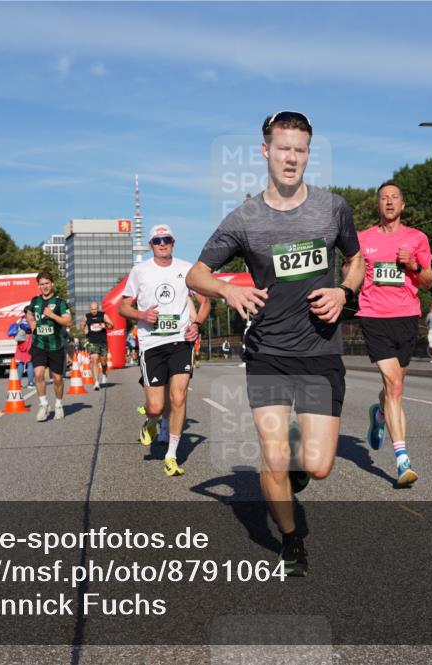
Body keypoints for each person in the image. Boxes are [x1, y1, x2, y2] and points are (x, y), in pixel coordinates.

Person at [187, 111, 363, 576]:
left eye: (300, 150)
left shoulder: (333, 208)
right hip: (267, 352)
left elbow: (357, 260)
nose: (291, 158)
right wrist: (227, 288)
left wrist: (344, 291)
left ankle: (298, 463)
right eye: (283, 148)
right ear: (265, 151)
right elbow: (196, 273)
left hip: (321, 351)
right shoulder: (244, 217)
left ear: (309, 153)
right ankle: (290, 541)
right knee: (273, 454)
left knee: (319, 465)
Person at [356, 181, 432, 487]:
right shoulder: (363, 239)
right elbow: (352, 272)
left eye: (394, 198)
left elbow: (428, 281)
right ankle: (403, 462)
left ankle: (379, 415)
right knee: (396, 386)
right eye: (384, 198)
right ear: (378, 206)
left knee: (394, 389)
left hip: (406, 317)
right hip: (374, 317)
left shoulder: (417, 238)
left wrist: (413, 264)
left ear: (402, 205)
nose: (389, 202)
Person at [121, 224, 209, 477]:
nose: (162, 243)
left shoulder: (186, 269)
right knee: (157, 407)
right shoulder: (140, 271)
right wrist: (141, 314)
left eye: (166, 239)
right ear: (150, 245)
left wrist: (196, 324)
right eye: (157, 240)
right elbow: (123, 308)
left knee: (179, 397)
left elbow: (205, 302)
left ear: (173, 242)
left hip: (181, 341)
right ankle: (151, 421)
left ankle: (171, 455)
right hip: (151, 344)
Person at [25, 270, 72, 422]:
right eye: (41, 284)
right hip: (39, 344)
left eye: (47, 283)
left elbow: (68, 321)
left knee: (57, 379)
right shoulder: (35, 301)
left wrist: (52, 315)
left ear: (52, 284)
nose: (44, 286)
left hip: (56, 345)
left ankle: (58, 405)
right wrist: (31, 321)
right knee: (38, 374)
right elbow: (29, 312)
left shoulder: (60, 302)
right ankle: (43, 405)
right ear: (38, 286)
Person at [82, 302, 114, 390]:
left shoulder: (103, 315)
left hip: (102, 342)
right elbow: (82, 325)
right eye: (92, 309)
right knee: (94, 359)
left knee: (103, 361)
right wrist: (84, 329)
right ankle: (96, 382)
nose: (94, 311)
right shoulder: (86, 316)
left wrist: (105, 326)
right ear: (90, 309)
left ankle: (104, 372)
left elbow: (112, 325)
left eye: (95, 309)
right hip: (92, 341)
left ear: (98, 308)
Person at [11, 309, 34, 387]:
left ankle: (18, 383)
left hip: (21, 343)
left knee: (21, 363)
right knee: (30, 363)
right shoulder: (31, 319)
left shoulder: (20, 320)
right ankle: (30, 383)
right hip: (29, 342)